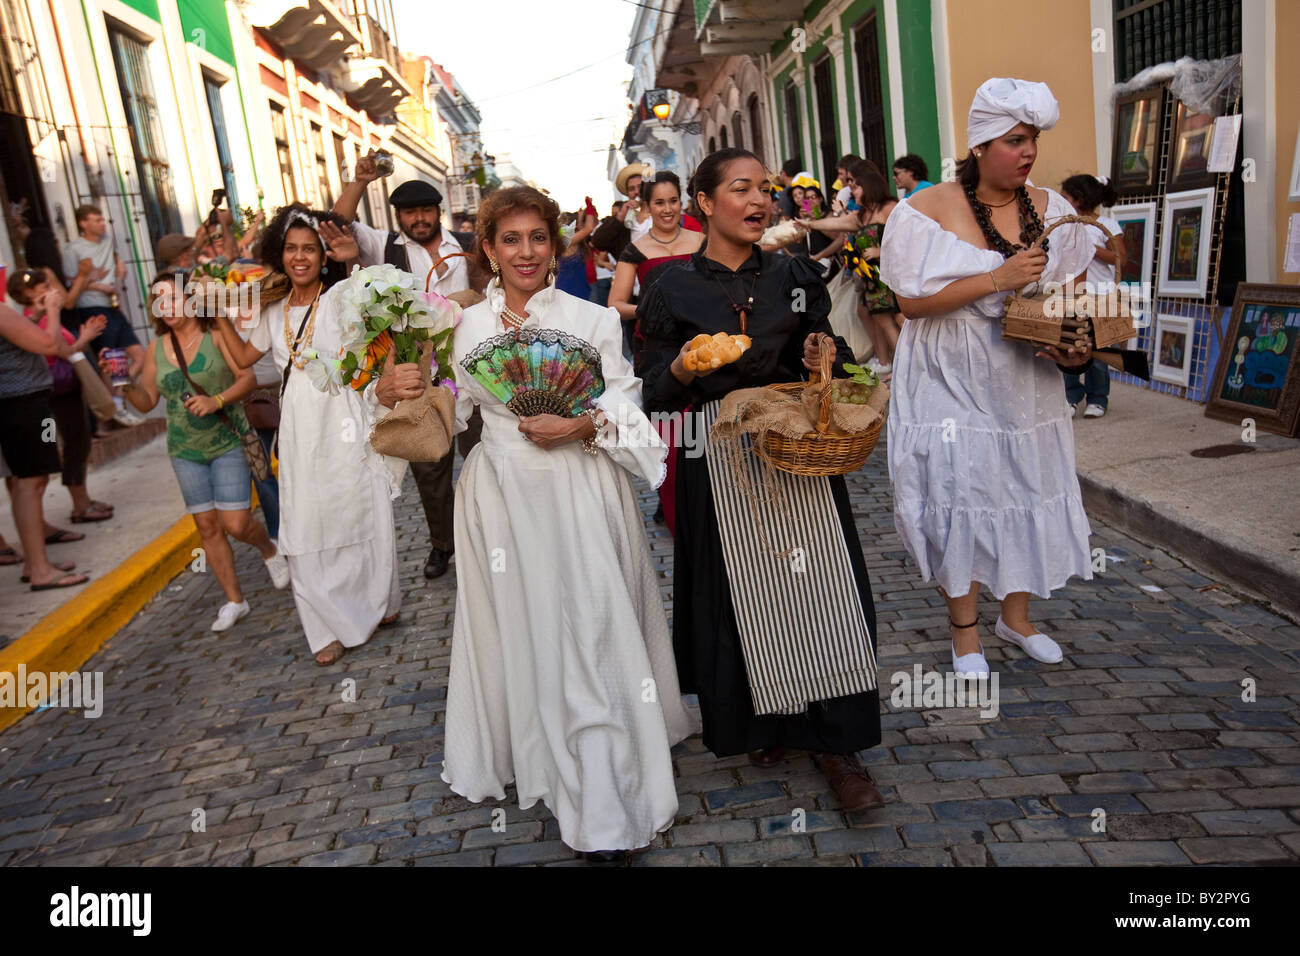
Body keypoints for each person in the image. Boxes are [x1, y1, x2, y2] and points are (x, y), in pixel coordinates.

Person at [441, 185, 692, 860]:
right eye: (511, 239)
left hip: (582, 490)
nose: (526, 252)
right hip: (500, 502)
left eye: (538, 238)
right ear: (488, 250)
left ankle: (604, 805)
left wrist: (578, 422)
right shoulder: (461, 330)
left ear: (557, 244)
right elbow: (446, 419)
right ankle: (544, 753)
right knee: (530, 631)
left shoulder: (593, 320)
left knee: (589, 629)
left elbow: (629, 414)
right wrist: (392, 387)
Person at [636, 148, 885, 811]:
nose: (757, 201)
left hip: (795, 443)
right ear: (705, 201)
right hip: (715, 457)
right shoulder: (669, 287)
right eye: (740, 188)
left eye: (764, 190)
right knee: (739, 592)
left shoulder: (795, 275)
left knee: (819, 585)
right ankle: (764, 721)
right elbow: (654, 396)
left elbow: (826, 354)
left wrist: (821, 356)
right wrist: (687, 367)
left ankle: (840, 744)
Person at [879, 77, 1098, 678]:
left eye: (1032, 140)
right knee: (959, 491)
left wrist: (1074, 346)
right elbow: (910, 304)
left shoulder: (1054, 210)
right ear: (979, 146)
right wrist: (997, 279)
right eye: (1013, 140)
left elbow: (1070, 294)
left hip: (1023, 376)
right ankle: (966, 631)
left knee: (1026, 482)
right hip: (947, 371)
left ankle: (1018, 617)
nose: (1027, 152)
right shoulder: (922, 211)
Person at [213, 204, 413, 665]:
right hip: (301, 427)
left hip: (346, 412)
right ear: (278, 255)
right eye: (290, 249)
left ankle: (377, 600)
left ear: (322, 256)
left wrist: (354, 261)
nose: (299, 257)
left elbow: (386, 310)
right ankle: (323, 626)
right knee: (305, 520)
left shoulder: (343, 293)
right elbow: (243, 360)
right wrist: (216, 314)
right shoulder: (273, 309)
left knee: (359, 506)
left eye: (309, 248)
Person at [117, 270, 287, 631]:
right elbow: (146, 401)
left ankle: (269, 548)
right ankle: (234, 600)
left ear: (191, 300)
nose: (167, 305)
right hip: (184, 450)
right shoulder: (155, 349)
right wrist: (122, 386)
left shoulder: (214, 336)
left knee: (236, 523)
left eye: (174, 297)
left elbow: (248, 377)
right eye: (159, 300)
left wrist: (216, 400)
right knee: (208, 528)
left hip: (226, 441)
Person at [334, 154, 473, 581]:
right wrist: (358, 181)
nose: (419, 219)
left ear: (438, 212)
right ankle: (443, 545)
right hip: (420, 369)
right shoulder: (383, 247)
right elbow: (337, 224)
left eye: (425, 211)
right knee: (429, 464)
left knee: (489, 450)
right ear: (399, 217)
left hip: (474, 363)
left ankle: (496, 536)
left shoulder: (466, 244)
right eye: (410, 212)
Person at [608, 171, 705, 534]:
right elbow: (615, 304)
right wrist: (650, 309)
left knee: (702, 435)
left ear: (682, 202)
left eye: (673, 201)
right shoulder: (635, 250)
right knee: (672, 440)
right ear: (646, 207)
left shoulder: (702, 241)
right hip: (658, 355)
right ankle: (677, 515)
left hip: (703, 348)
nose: (667, 210)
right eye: (659, 203)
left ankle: (708, 512)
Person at [6, 268, 112, 523]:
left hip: (62, 390)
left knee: (78, 442)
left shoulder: (34, 318)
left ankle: (82, 500)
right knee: (73, 445)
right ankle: (80, 505)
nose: (48, 289)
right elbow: (56, 348)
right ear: (27, 294)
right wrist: (85, 337)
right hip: (57, 392)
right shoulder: (36, 319)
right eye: (41, 287)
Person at [0, 298, 89, 590]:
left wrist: (35, 314)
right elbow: (49, 345)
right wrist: (52, 310)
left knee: (27, 481)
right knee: (31, 481)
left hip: (23, 404)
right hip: (22, 405)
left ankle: (34, 562)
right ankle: (39, 569)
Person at [803, 159, 905, 373]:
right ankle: (901, 367)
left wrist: (880, 252)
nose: (852, 191)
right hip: (872, 279)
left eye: (855, 186)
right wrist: (809, 223)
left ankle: (910, 365)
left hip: (893, 276)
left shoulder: (890, 207)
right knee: (883, 320)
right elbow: (836, 224)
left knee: (900, 320)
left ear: (868, 187)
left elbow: (906, 240)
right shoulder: (862, 215)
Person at [60, 204, 145, 426]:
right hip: (91, 307)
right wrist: (99, 286)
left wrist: (118, 261)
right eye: (96, 220)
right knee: (112, 357)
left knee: (139, 355)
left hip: (112, 307)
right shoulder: (73, 249)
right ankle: (115, 407)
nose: (102, 223)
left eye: (102, 219)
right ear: (83, 224)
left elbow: (113, 253)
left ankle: (119, 396)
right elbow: (70, 281)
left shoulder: (107, 240)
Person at [1060, 173, 1122, 419]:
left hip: (1100, 295)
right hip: (1072, 295)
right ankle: (1072, 395)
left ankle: (1098, 397)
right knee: (1069, 347)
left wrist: (1092, 248)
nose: (1061, 200)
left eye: (1065, 196)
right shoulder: (1064, 225)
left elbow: (1120, 259)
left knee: (1097, 351)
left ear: (1079, 199)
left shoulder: (1105, 225)